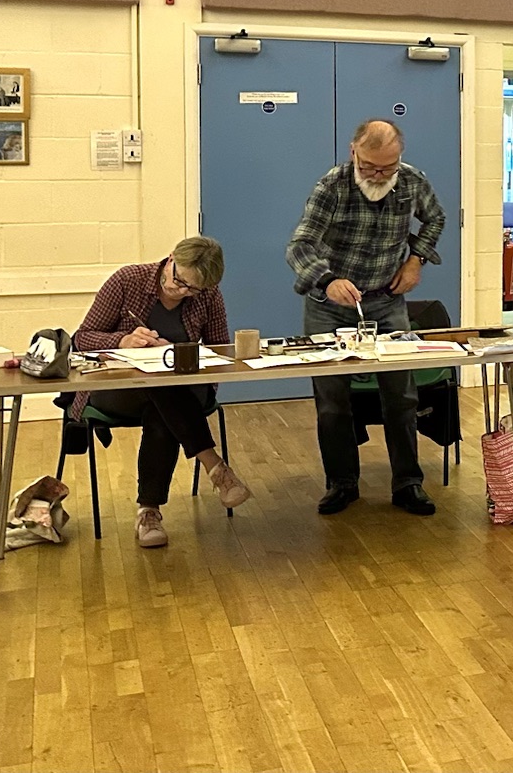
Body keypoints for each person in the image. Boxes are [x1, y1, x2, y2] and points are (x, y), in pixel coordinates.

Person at [286, 119, 446, 516]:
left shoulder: (411, 182)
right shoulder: (332, 187)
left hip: (386, 301)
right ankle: (341, 483)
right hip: (329, 305)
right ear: (353, 152)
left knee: (402, 396)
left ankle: (408, 482)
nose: (377, 176)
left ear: (399, 158)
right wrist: (327, 280)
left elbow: (435, 218)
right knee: (332, 401)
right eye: (369, 167)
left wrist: (416, 260)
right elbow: (300, 245)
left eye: (387, 168)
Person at [73, 236, 251, 548]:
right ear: (170, 260)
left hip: (182, 392)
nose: (182, 291)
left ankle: (149, 513)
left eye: (192, 290)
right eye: (179, 281)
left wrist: (177, 352)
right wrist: (123, 341)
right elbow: (82, 338)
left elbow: (219, 351)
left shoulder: (207, 294)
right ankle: (215, 467)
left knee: (163, 401)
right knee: (162, 391)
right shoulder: (127, 280)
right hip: (119, 390)